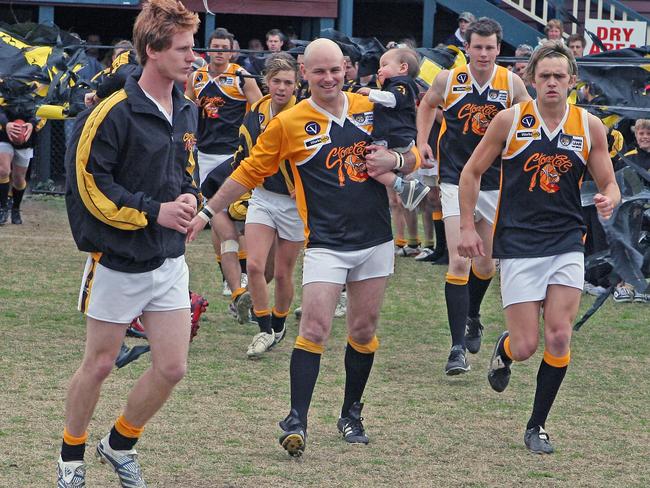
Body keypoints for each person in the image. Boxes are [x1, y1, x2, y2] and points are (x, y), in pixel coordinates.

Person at [186, 38, 419, 457]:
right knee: (313, 328)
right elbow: (249, 171)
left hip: (376, 240)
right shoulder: (289, 123)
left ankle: (351, 413)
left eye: (335, 70)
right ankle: (296, 420)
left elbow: (412, 151)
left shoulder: (371, 107)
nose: (328, 78)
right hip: (327, 243)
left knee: (363, 330)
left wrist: (398, 163)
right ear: (304, 74)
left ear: (346, 70)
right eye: (318, 71)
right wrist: (207, 212)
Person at [58, 1, 200, 486]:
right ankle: (70, 460)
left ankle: (119, 444)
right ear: (153, 50)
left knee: (173, 367)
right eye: (183, 48)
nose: (193, 56)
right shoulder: (112, 112)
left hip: (168, 261)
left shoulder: (186, 108)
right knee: (98, 365)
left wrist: (190, 204)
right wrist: (153, 211)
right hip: (118, 261)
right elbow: (89, 187)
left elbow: (185, 172)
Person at [458, 40, 620, 454]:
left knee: (560, 336)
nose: (551, 83)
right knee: (527, 345)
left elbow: (609, 182)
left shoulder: (589, 126)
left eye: (559, 76)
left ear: (573, 82)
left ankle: (537, 426)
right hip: (518, 242)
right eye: (544, 76)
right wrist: (467, 228)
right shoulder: (510, 121)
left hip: (567, 240)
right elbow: (471, 173)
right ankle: (506, 349)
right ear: (530, 79)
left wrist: (610, 199)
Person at [417, 17, 531, 375]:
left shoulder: (510, 82)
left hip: (497, 182)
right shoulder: (449, 79)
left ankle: (472, 315)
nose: (483, 53)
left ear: (499, 49)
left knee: (485, 265)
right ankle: (456, 350)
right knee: (458, 261)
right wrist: (421, 141)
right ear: (467, 47)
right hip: (454, 179)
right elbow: (426, 104)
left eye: (490, 47)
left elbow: (531, 118)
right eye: (477, 46)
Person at [185, 27, 261, 311]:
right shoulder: (197, 76)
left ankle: (239, 272)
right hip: (203, 155)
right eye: (214, 46)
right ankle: (229, 277)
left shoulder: (242, 77)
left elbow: (258, 111)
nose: (218, 51)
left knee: (235, 217)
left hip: (232, 156)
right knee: (214, 217)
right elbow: (187, 108)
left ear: (232, 51)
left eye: (223, 47)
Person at [238, 53, 304, 358]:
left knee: (282, 273)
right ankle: (264, 330)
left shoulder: (303, 114)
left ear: (296, 86)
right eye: (276, 81)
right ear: (267, 82)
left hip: (293, 204)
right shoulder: (259, 109)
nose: (281, 87)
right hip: (263, 196)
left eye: (288, 82)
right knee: (253, 265)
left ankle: (279, 323)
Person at [358, 47, 429, 210]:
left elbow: (393, 99)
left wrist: (371, 93)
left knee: (372, 165)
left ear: (403, 68)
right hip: (392, 138)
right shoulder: (393, 85)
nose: (379, 69)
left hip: (396, 137)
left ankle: (407, 186)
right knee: (373, 169)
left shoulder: (403, 85)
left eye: (384, 65)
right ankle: (405, 187)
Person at [0, 106, 36, 225]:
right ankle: (3, 208)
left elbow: (41, 108)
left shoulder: (38, 88)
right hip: (3, 133)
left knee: (19, 178)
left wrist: (32, 123)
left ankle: (15, 208)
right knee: (3, 170)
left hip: (25, 135)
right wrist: (6, 123)